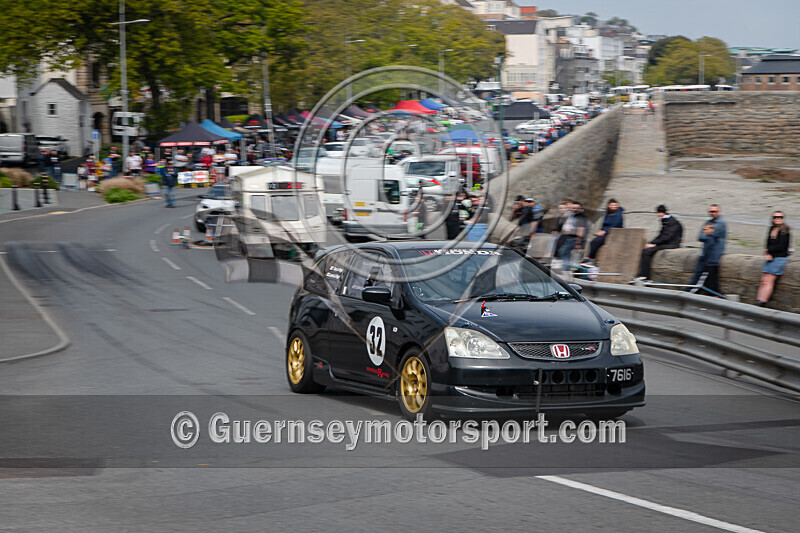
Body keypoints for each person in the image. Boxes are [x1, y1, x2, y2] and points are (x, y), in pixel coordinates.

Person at [634, 204, 683, 282]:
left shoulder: (672, 222)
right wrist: (652, 242)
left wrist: (654, 243)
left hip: (672, 244)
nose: (658, 215)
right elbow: (661, 234)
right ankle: (642, 274)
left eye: (659, 213)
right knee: (646, 250)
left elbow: (667, 236)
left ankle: (644, 275)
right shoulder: (666, 221)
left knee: (646, 252)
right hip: (667, 242)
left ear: (662, 212)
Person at [687, 204, 727, 296]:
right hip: (705, 255)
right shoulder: (708, 222)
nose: (712, 213)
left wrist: (707, 233)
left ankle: (691, 294)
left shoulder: (721, 223)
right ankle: (689, 292)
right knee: (699, 277)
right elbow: (700, 237)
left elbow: (710, 237)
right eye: (710, 211)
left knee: (710, 280)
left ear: (719, 212)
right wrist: (708, 233)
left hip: (713, 256)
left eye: (714, 211)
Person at [756, 211, 792, 306]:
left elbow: (781, 246)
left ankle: (762, 301)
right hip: (770, 258)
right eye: (775, 217)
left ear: (783, 219)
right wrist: (767, 253)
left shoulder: (785, 231)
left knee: (768, 280)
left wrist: (769, 252)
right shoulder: (772, 229)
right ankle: (758, 300)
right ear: (772, 219)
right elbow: (767, 243)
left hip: (779, 258)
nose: (777, 219)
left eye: (780, 217)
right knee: (763, 280)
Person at [585, 198, 624, 263]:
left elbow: (616, 224)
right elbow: (604, 224)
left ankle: (591, 258)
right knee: (592, 242)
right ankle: (590, 257)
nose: (613, 206)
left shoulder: (618, 213)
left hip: (613, 233)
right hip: (606, 232)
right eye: (612, 205)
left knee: (596, 242)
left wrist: (604, 231)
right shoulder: (608, 213)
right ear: (608, 206)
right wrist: (601, 231)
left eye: (615, 205)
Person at [556, 200, 589, 272]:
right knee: (564, 253)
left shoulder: (580, 217)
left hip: (574, 238)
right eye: (573, 208)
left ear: (580, 208)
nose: (574, 209)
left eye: (576, 208)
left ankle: (566, 269)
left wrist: (578, 241)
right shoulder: (572, 215)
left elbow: (581, 229)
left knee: (563, 252)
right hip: (569, 237)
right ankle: (566, 268)